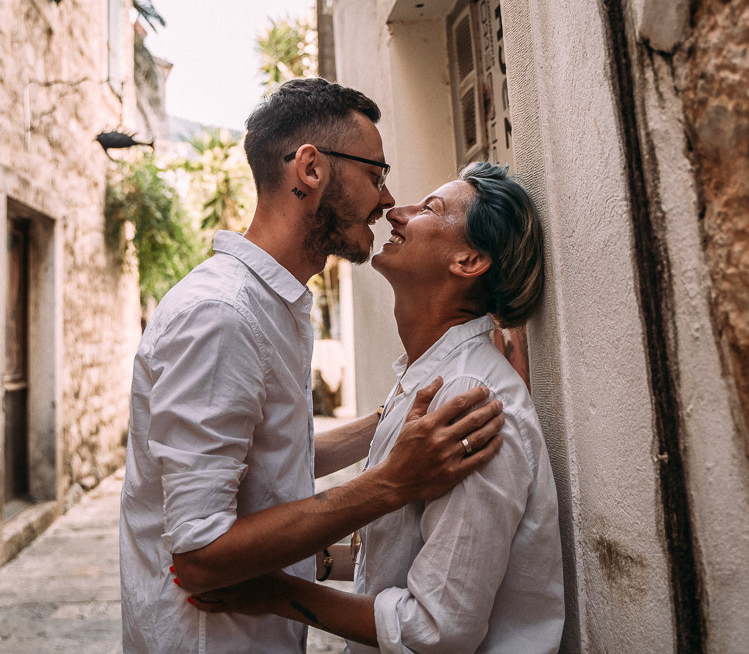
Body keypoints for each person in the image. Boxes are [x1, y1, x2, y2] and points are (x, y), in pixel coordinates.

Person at [119, 79, 507, 654]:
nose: (385, 199)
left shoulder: (272, 304)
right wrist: (392, 482)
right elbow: (200, 559)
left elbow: (274, 455)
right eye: (376, 174)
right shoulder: (221, 316)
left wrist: (407, 417)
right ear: (311, 169)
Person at [185, 162, 565, 654]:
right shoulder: (430, 381)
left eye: (430, 209)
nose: (397, 213)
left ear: (469, 261)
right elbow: (413, 544)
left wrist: (278, 593)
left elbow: (436, 629)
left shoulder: (468, 402)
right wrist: (325, 563)